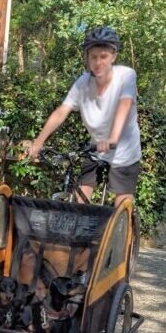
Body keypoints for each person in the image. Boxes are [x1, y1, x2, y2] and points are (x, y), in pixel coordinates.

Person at [28, 26, 142, 207]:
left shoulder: (126, 75)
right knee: (79, 202)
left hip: (125, 152)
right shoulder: (83, 83)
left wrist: (112, 138)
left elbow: (124, 105)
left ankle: (125, 232)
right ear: (87, 58)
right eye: (93, 57)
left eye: (103, 56)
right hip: (97, 150)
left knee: (122, 208)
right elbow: (62, 111)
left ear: (113, 56)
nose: (98, 62)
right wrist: (39, 141)